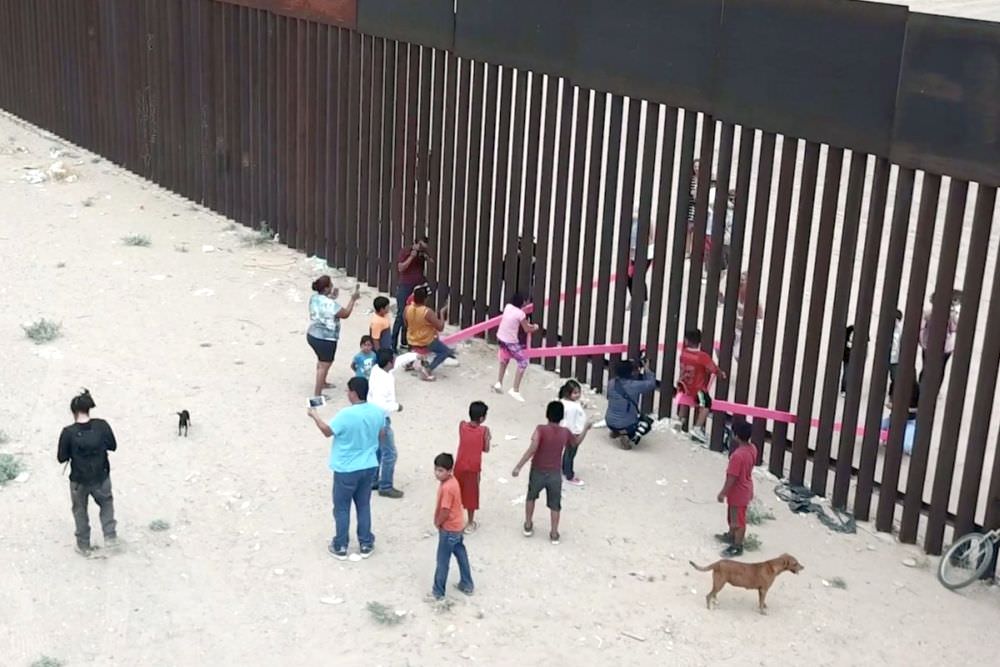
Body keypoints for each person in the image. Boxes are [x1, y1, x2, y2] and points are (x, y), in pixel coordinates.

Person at [308, 377, 384, 560]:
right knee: (363, 505)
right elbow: (382, 434)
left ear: (354, 393)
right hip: (368, 465)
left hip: (346, 468)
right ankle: (366, 543)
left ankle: (341, 544)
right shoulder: (377, 412)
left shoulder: (346, 414)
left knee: (342, 508)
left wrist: (314, 415)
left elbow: (327, 431)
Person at [511, 401, 586, 545]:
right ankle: (553, 533)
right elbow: (575, 443)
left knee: (531, 497)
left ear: (547, 414)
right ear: (561, 417)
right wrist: (586, 429)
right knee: (555, 504)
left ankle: (528, 525)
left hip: (538, 470)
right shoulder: (565, 432)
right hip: (554, 474)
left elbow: (532, 449)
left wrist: (518, 467)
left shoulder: (540, 429)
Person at [57, 389, 119, 557]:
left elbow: (61, 458)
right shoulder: (102, 425)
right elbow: (113, 446)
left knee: (80, 511)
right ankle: (111, 538)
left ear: (73, 412)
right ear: (89, 409)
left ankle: (84, 545)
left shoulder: (68, 432)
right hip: (101, 477)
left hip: (79, 480)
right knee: (106, 504)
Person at [368, 348, 418, 499]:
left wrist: (414, 355)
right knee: (390, 453)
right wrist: (397, 406)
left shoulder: (378, 369)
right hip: (380, 419)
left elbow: (399, 361)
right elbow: (380, 404)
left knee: (377, 450)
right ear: (389, 362)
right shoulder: (383, 380)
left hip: (373, 417)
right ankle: (386, 486)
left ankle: (373, 480)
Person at [307, 275, 360, 397]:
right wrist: (353, 299)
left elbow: (324, 304)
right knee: (324, 365)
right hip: (326, 339)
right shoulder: (331, 304)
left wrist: (332, 297)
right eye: (330, 285)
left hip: (312, 334)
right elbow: (345, 314)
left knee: (323, 362)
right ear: (326, 289)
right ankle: (317, 394)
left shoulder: (314, 298)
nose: (332, 286)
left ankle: (322, 383)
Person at [432, 453, 474, 600]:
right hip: (457, 527)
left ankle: (438, 592)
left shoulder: (447, 488)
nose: (437, 473)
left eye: (441, 470)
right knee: (460, 553)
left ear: (449, 471)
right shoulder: (453, 482)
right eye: (436, 469)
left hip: (448, 528)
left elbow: (445, 510)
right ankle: (467, 584)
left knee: (442, 560)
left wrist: (438, 522)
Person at [675, 328, 725, 444]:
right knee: (706, 403)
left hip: (684, 386)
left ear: (686, 341)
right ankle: (697, 428)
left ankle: (680, 420)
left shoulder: (683, 353)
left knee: (684, 399)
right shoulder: (702, 356)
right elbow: (713, 369)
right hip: (697, 389)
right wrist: (721, 374)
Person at [716, 421, 756, 557]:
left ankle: (737, 545)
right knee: (734, 516)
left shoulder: (737, 456)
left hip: (737, 491)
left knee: (737, 520)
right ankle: (731, 535)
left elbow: (732, 477)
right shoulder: (752, 449)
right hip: (746, 488)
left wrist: (723, 493)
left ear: (736, 436)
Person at [493, 293, 539, 402]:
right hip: (510, 341)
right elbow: (527, 329)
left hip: (501, 337)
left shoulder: (508, 307)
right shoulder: (521, 313)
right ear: (523, 302)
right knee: (523, 362)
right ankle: (515, 389)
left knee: (504, 359)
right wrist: (535, 327)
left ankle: (499, 382)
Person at [404, 286, 456, 381]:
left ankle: (411, 362)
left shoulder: (407, 309)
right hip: (426, 341)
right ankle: (428, 369)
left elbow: (406, 324)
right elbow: (440, 328)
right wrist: (441, 313)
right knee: (445, 352)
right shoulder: (427, 312)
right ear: (425, 298)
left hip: (411, 339)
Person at [454, 401, 491, 533]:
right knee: (471, 496)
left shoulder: (462, 426)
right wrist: (488, 438)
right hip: (473, 468)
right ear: (482, 418)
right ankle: (470, 522)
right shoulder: (484, 431)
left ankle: (455, 519)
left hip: (459, 465)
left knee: (457, 492)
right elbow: (486, 449)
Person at [605, 359, 657, 450]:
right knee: (646, 423)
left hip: (609, 421)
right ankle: (625, 434)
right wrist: (646, 369)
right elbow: (651, 384)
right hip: (626, 424)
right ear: (631, 373)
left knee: (619, 412)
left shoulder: (611, 382)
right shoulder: (634, 386)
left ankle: (615, 431)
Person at [392, 236, 432, 350]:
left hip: (418, 288)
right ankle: (393, 344)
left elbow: (432, 262)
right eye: (420, 245)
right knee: (401, 315)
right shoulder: (406, 251)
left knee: (412, 315)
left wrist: (425, 255)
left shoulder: (422, 254)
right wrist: (411, 256)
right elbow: (401, 268)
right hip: (405, 286)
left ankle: (405, 341)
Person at [919, 290, 960, 384]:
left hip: (929, 344)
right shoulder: (950, 316)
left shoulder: (929, 313)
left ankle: (923, 384)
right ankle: (933, 386)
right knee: (940, 369)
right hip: (943, 347)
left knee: (926, 366)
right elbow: (954, 329)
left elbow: (922, 326)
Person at [558, 380, 591, 486]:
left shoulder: (563, 402)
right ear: (569, 393)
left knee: (567, 453)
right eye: (575, 393)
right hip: (573, 432)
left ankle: (563, 469)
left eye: (578, 392)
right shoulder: (572, 407)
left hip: (564, 431)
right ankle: (569, 475)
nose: (578, 395)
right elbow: (571, 421)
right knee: (571, 454)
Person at [888, 309, 903, 399]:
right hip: (886, 357)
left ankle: (891, 394)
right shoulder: (886, 329)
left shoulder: (900, 331)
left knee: (895, 377)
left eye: (897, 320)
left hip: (895, 358)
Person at [841, 325, 855, 395]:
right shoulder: (848, 330)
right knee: (846, 373)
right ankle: (844, 389)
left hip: (854, 357)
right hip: (847, 357)